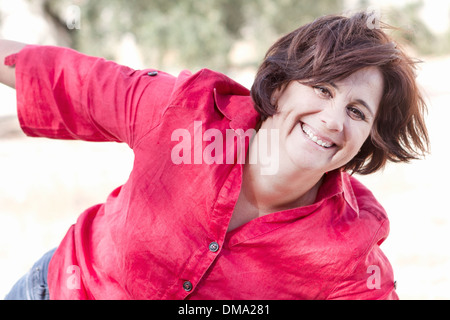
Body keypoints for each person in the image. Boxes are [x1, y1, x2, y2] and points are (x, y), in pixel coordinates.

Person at [1, 10, 429, 300]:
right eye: (323, 89)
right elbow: (70, 78)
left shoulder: (349, 247)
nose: (334, 119)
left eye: (357, 112)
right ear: (280, 87)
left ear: (368, 138)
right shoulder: (183, 111)